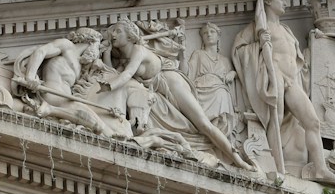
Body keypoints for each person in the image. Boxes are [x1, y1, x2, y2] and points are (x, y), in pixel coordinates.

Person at [101, 17, 254, 168]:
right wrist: (106, 54)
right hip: (156, 91)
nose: (113, 35)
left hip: (171, 83)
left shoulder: (138, 50)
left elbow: (125, 76)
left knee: (204, 124)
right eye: (112, 31)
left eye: (118, 31)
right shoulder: (123, 60)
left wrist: (109, 86)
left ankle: (239, 161)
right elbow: (113, 74)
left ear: (130, 35)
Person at [230, 0, 335, 181]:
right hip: (276, 78)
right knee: (275, 121)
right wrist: (258, 48)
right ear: (269, 1)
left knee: (313, 122)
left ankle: (320, 169)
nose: (285, 3)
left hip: (292, 81)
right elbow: (238, 48)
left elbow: (299, 62)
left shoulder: (287, 30)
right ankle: (277, 167)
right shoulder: (259, 26)